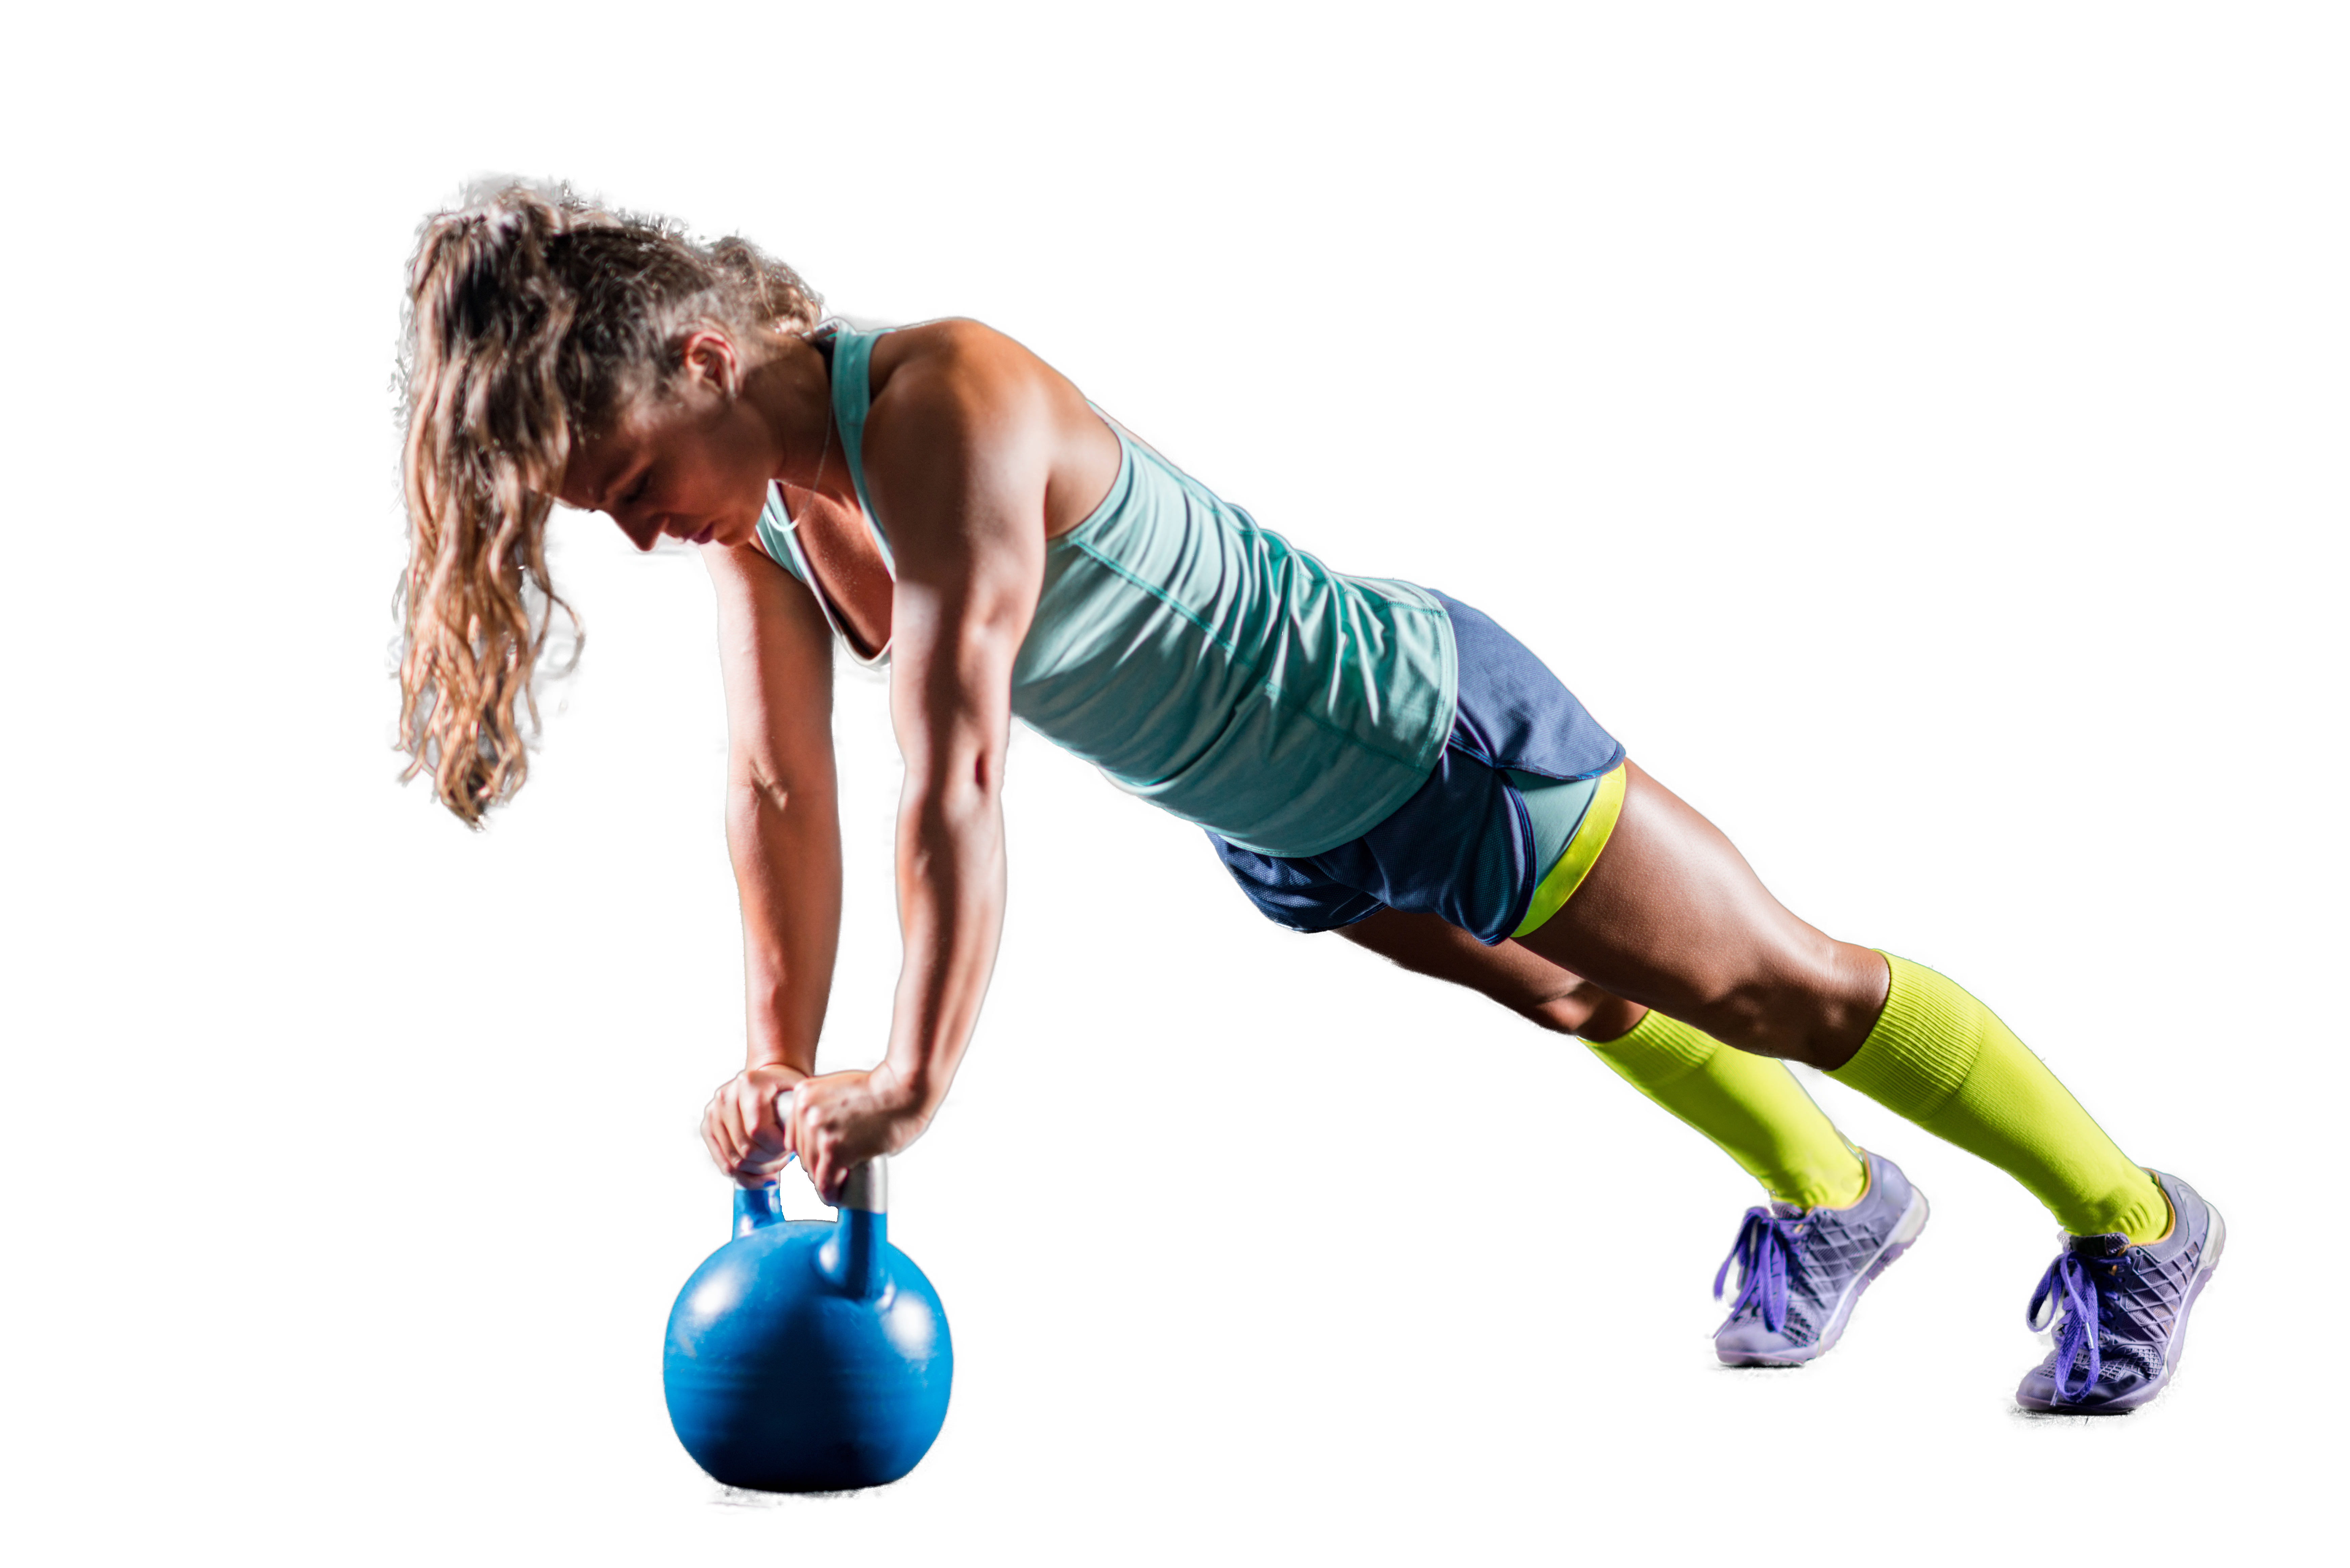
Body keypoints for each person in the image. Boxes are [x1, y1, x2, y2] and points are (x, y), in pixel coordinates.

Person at [396, 184, 2221, 1413]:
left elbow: (947, 759)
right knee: (1579, 994)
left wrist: (917, 1077)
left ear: (703, 364)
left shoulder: (942, 398)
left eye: (630, 484)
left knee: (1780, 986)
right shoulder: (762, 512)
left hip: (1431, 733)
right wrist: (783, 1068)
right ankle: (1834, 1199)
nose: (641, 535)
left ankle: (2133, 1223)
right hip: (1285, 818)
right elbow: (774, 786)